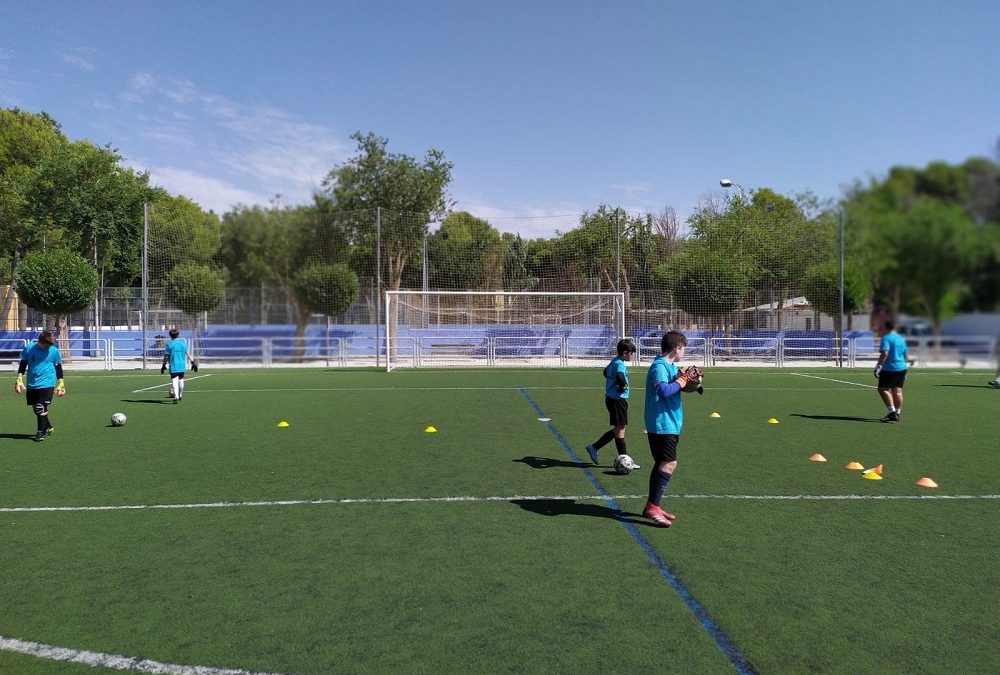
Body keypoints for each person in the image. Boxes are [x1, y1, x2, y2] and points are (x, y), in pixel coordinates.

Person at [641, 331, 702, 527]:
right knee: (669, 463)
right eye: (683, 348)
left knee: (662, 463)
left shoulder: (670, 366)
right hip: (662, 424)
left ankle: (653, 506)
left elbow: (679, 386)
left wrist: (693, 384)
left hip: (670, 423)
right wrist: (682, 381)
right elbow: (663, 390)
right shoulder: (659, 366)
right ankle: (652, 507)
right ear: (677, 348)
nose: (684, 352)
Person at [585, 339, 639, 469]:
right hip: (617, 400)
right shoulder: (619, 364)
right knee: (620, 430)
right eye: (631, 353)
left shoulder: (614, 361)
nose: (632, 355)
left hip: (611, 398)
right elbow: (620, 376)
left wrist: (613, 383)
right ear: (625, 353)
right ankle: (625, 461)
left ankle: (595, 447)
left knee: (618, 429)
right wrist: (622, 386)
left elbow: (605, 372)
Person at [14, 330, 65, 442]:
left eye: (50, 346)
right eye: (46, 345)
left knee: (40, 407)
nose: (48, 348)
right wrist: (19, 379)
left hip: (47, 383)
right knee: (36, 409)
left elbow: (58, 367)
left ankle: (40, 433)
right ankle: (48, 427)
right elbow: (23, 364)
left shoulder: (54, 351)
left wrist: (61, 383)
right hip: (32, 383)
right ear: (39, 341)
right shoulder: (29, 348)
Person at [873, 319, 908, 422]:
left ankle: (892, 412)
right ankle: (897, 412)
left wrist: (878, 366)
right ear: (895, 327)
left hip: (889, 368)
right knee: (897, 390)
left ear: (886, 328)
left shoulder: (886, 338)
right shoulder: (901, 339)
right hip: (901, 367)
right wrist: (905, 367)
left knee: (882, 389)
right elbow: (906, 355)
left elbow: (884, 353)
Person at [160, 328, 197, 403]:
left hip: (174, 365)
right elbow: (188, 354)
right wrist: (193, 362)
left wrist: (163, 365)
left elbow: (166, 356)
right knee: (181, 380)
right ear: (178, 335)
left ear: (170, 335)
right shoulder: (183, 343)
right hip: (182, 365)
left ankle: (176, 396)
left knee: (174, 380)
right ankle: (180, 395)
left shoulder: (169, 344)